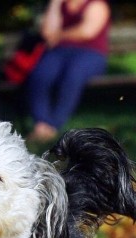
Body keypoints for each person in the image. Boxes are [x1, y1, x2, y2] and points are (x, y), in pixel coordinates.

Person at [26, 0, 111, 142]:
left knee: (73, 75)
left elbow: (87, 32)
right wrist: (54, 4)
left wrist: (59, 35)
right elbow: (47, 33)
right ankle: (41, 123)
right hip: (60, 52)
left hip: (90, 53)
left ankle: (53, 125)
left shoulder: (96, 4)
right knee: (41, 74)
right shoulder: (61, 5)